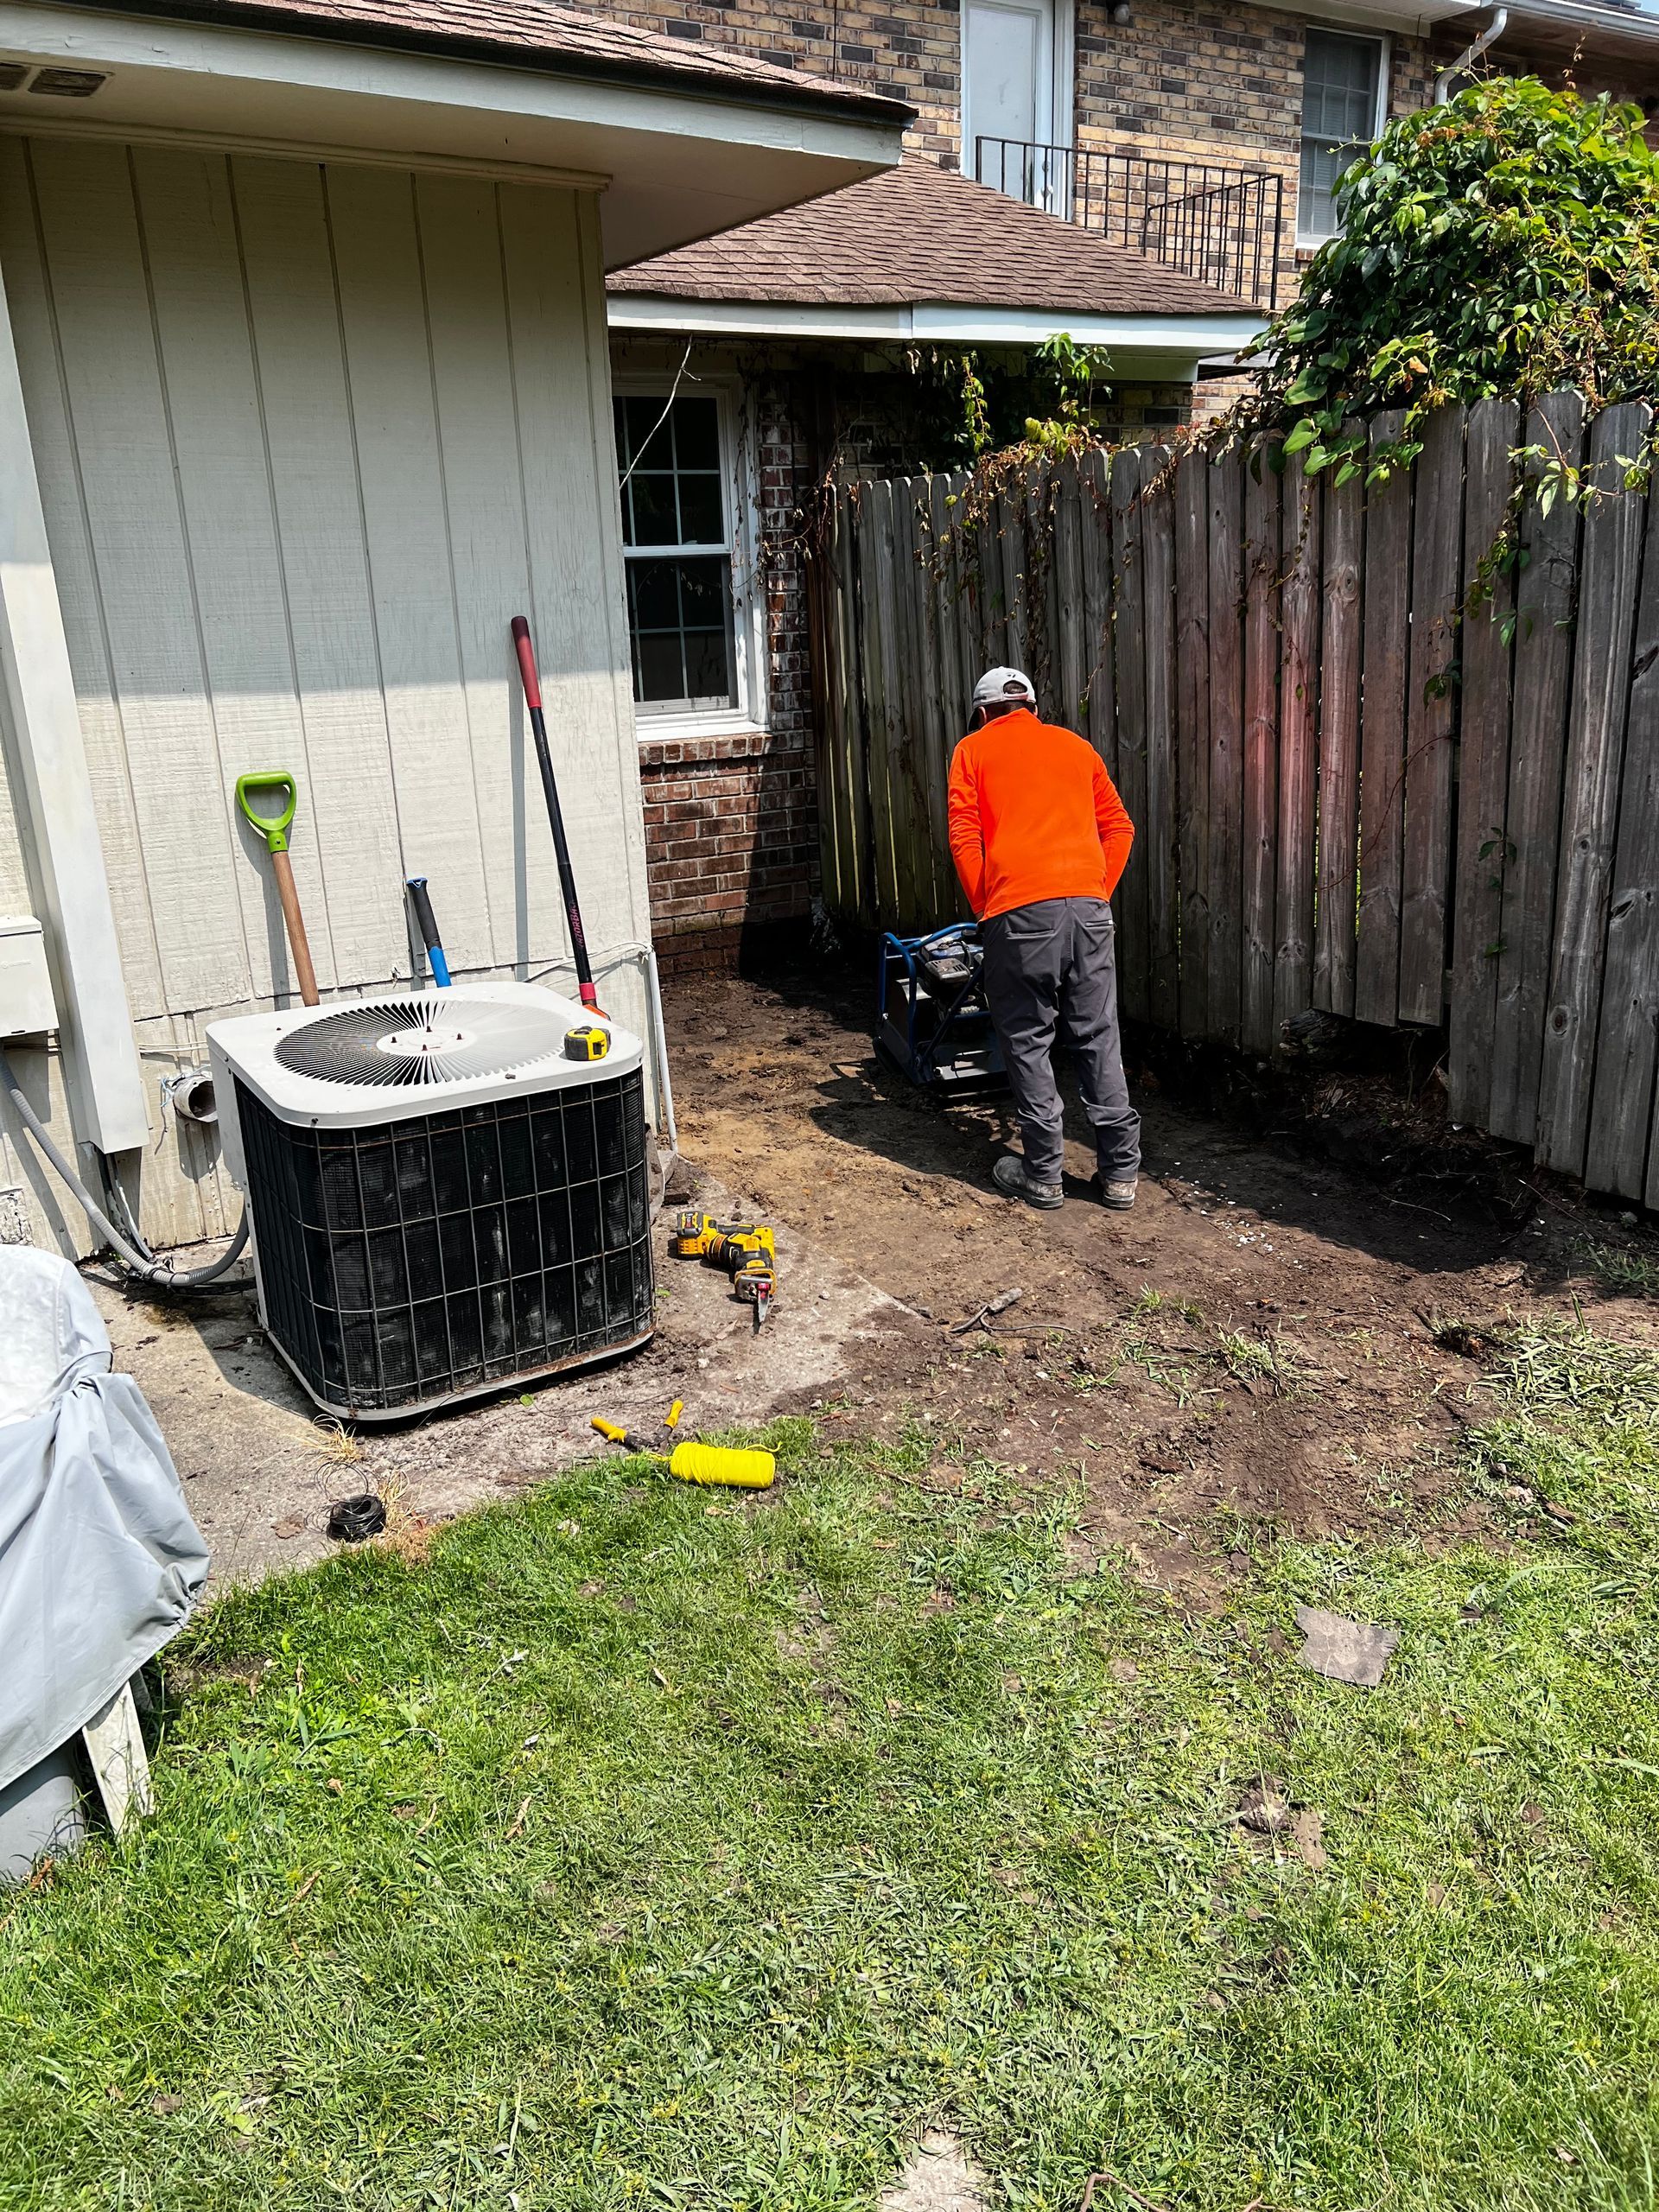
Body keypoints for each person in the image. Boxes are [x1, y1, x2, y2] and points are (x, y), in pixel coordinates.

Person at [946, 666, 1141, 1211]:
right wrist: (1095, 892)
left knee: (1029, 1041)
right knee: (1098, 1036)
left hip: (1020, 915)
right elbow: (1119, 826)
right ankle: (1121, 1173)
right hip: (1088, 910)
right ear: (1030, 705)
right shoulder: (1076, 748)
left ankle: (1043, 1174)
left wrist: (987, 906)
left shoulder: (972, 750)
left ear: (983, 712)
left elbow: (965, 835)